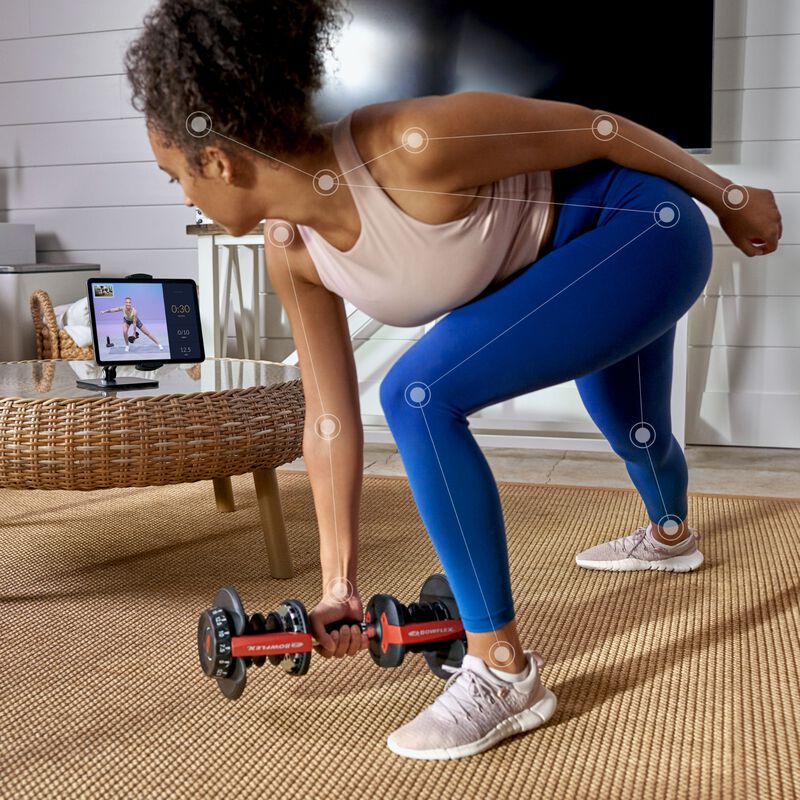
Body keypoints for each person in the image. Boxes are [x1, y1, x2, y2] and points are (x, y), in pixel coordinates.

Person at [125, 0, 782, 760]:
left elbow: (599, 128)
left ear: (218, 160)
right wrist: (338, 584)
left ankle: (505, 673)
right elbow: (331, 418)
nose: (182, 195)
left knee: (418, 393)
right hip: (566, 273)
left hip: (641, 231)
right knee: (637, 431)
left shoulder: (410, 145)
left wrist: (728, 197)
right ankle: (672, 536)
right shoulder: (291, 247)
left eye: (177, 176)